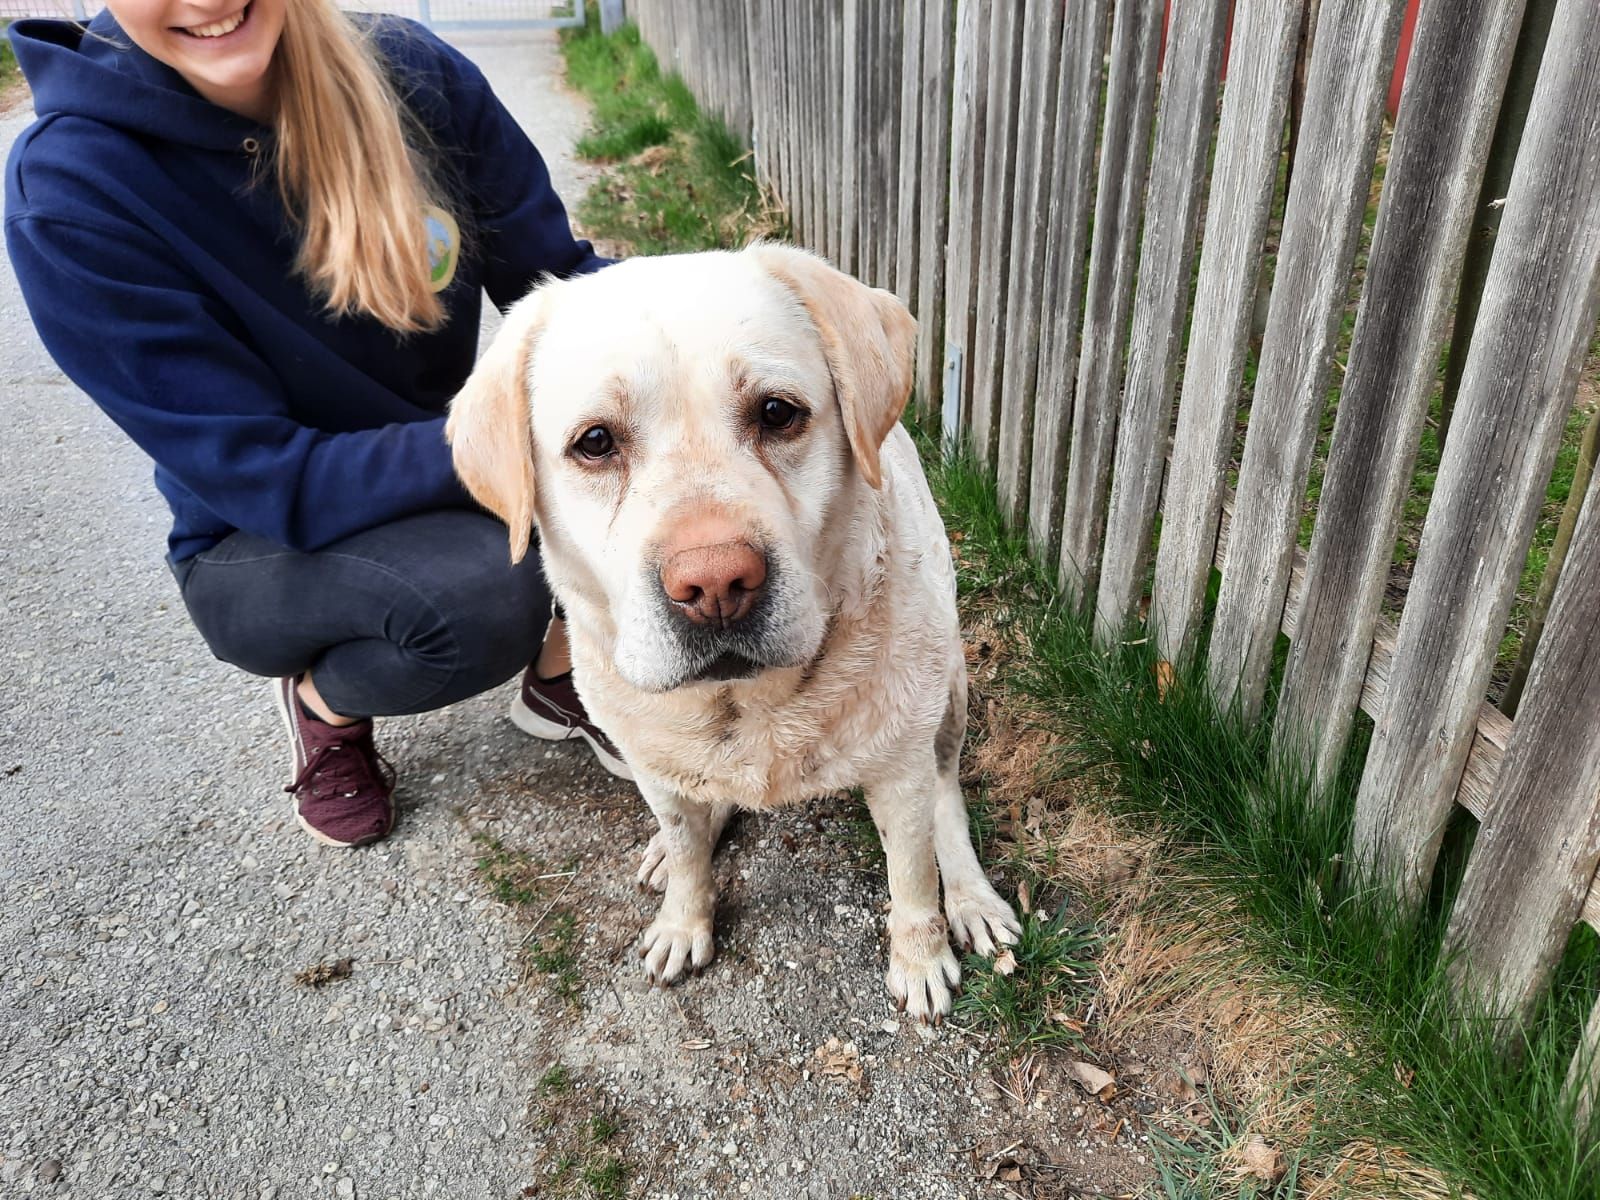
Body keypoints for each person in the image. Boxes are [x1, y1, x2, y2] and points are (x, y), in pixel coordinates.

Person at [4, 0, 630, 850]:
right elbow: (272, 478)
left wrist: (717, 325)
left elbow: (559, 284)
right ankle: (324, 704)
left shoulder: (413, 72)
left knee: (636, 443)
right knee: (487, 595)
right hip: (257, 535)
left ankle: (562, 675)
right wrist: (512, 445)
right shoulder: (72, 189)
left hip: (423, 464)